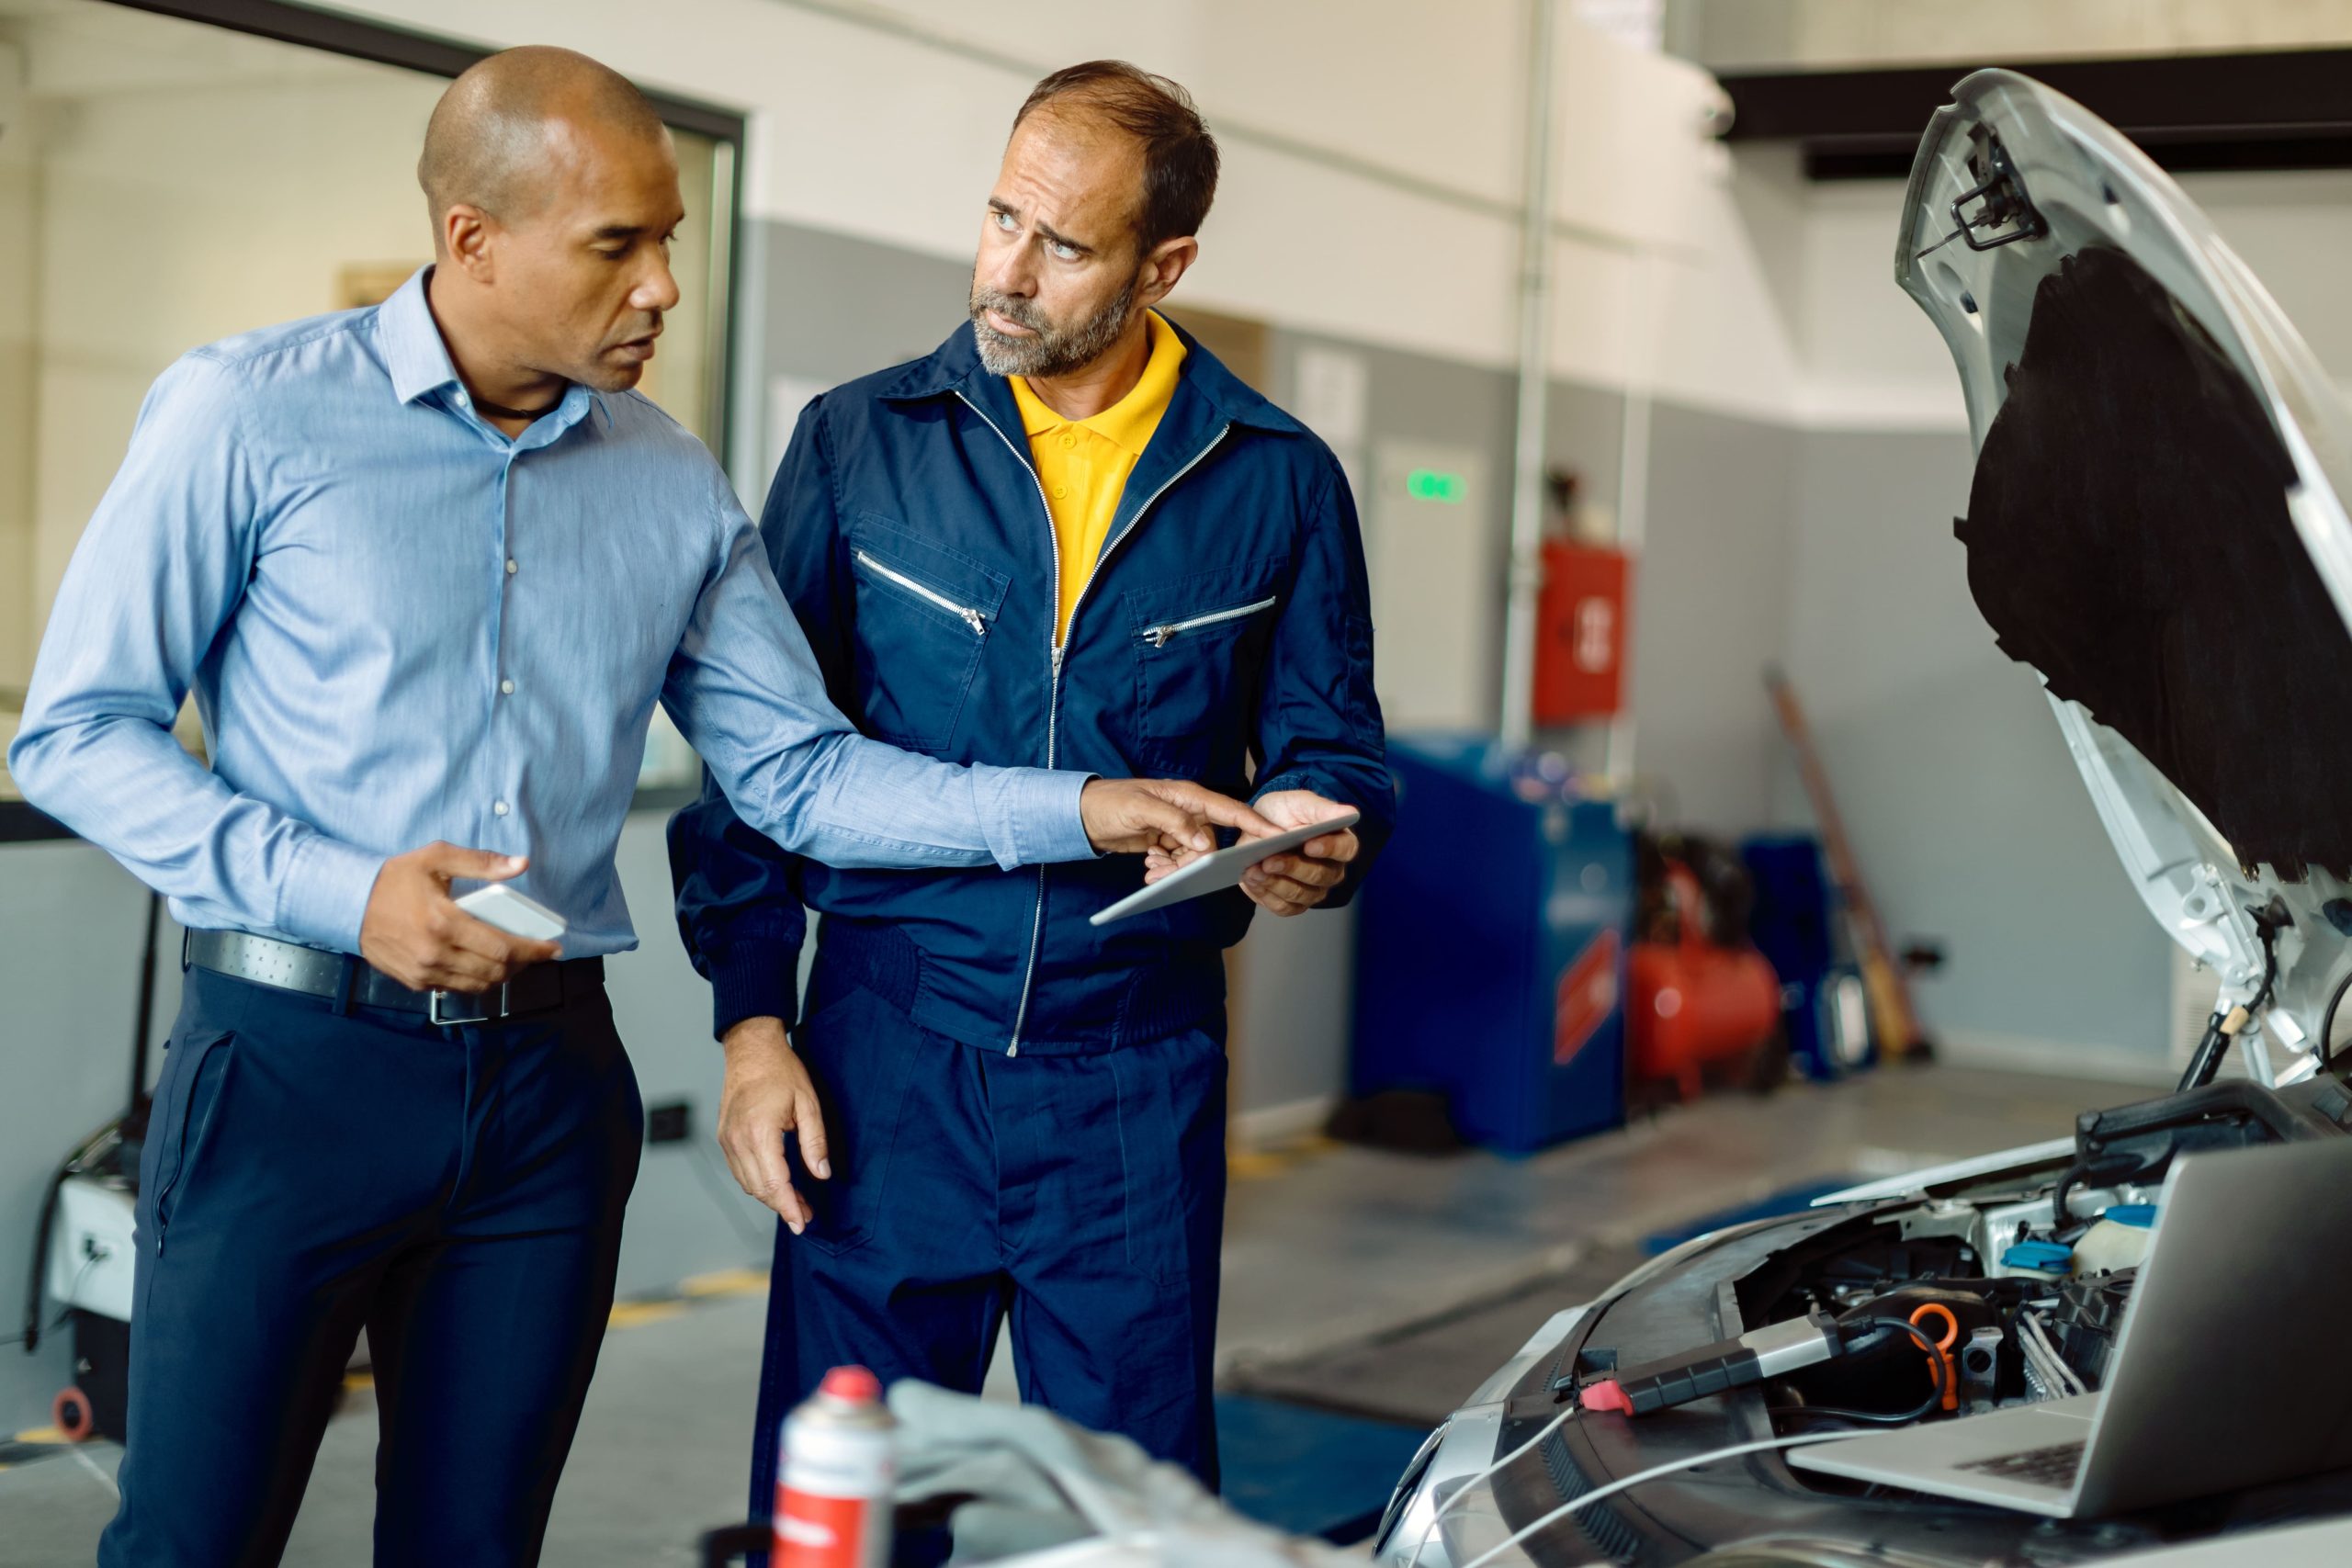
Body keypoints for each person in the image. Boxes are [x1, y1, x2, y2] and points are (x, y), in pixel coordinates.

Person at [6, 46, 1266, 1568]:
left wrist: (1084, 808)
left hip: (546, 1095)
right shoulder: (245, 415)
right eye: (620, 245)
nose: (665, 284)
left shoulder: (670, 483)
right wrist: (346, 891)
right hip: (290, 1071)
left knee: (476, 1549)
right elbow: (78, 735)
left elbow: (797, 773)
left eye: (671, 236)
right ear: (474, 237)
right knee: (193, 1545)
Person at [668, 60, 1393, 1503]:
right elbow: (754, 770)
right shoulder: (864, 443)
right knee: (841, 1509)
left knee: (1134, 1517)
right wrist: (755, 1029)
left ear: (1163, 263)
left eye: (1061, 245)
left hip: (1130, 1079)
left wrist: (1322, 837)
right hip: (883, 1065)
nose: (1006, 270)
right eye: (1001, 215)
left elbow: (1332, 749)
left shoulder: (1277, 480)